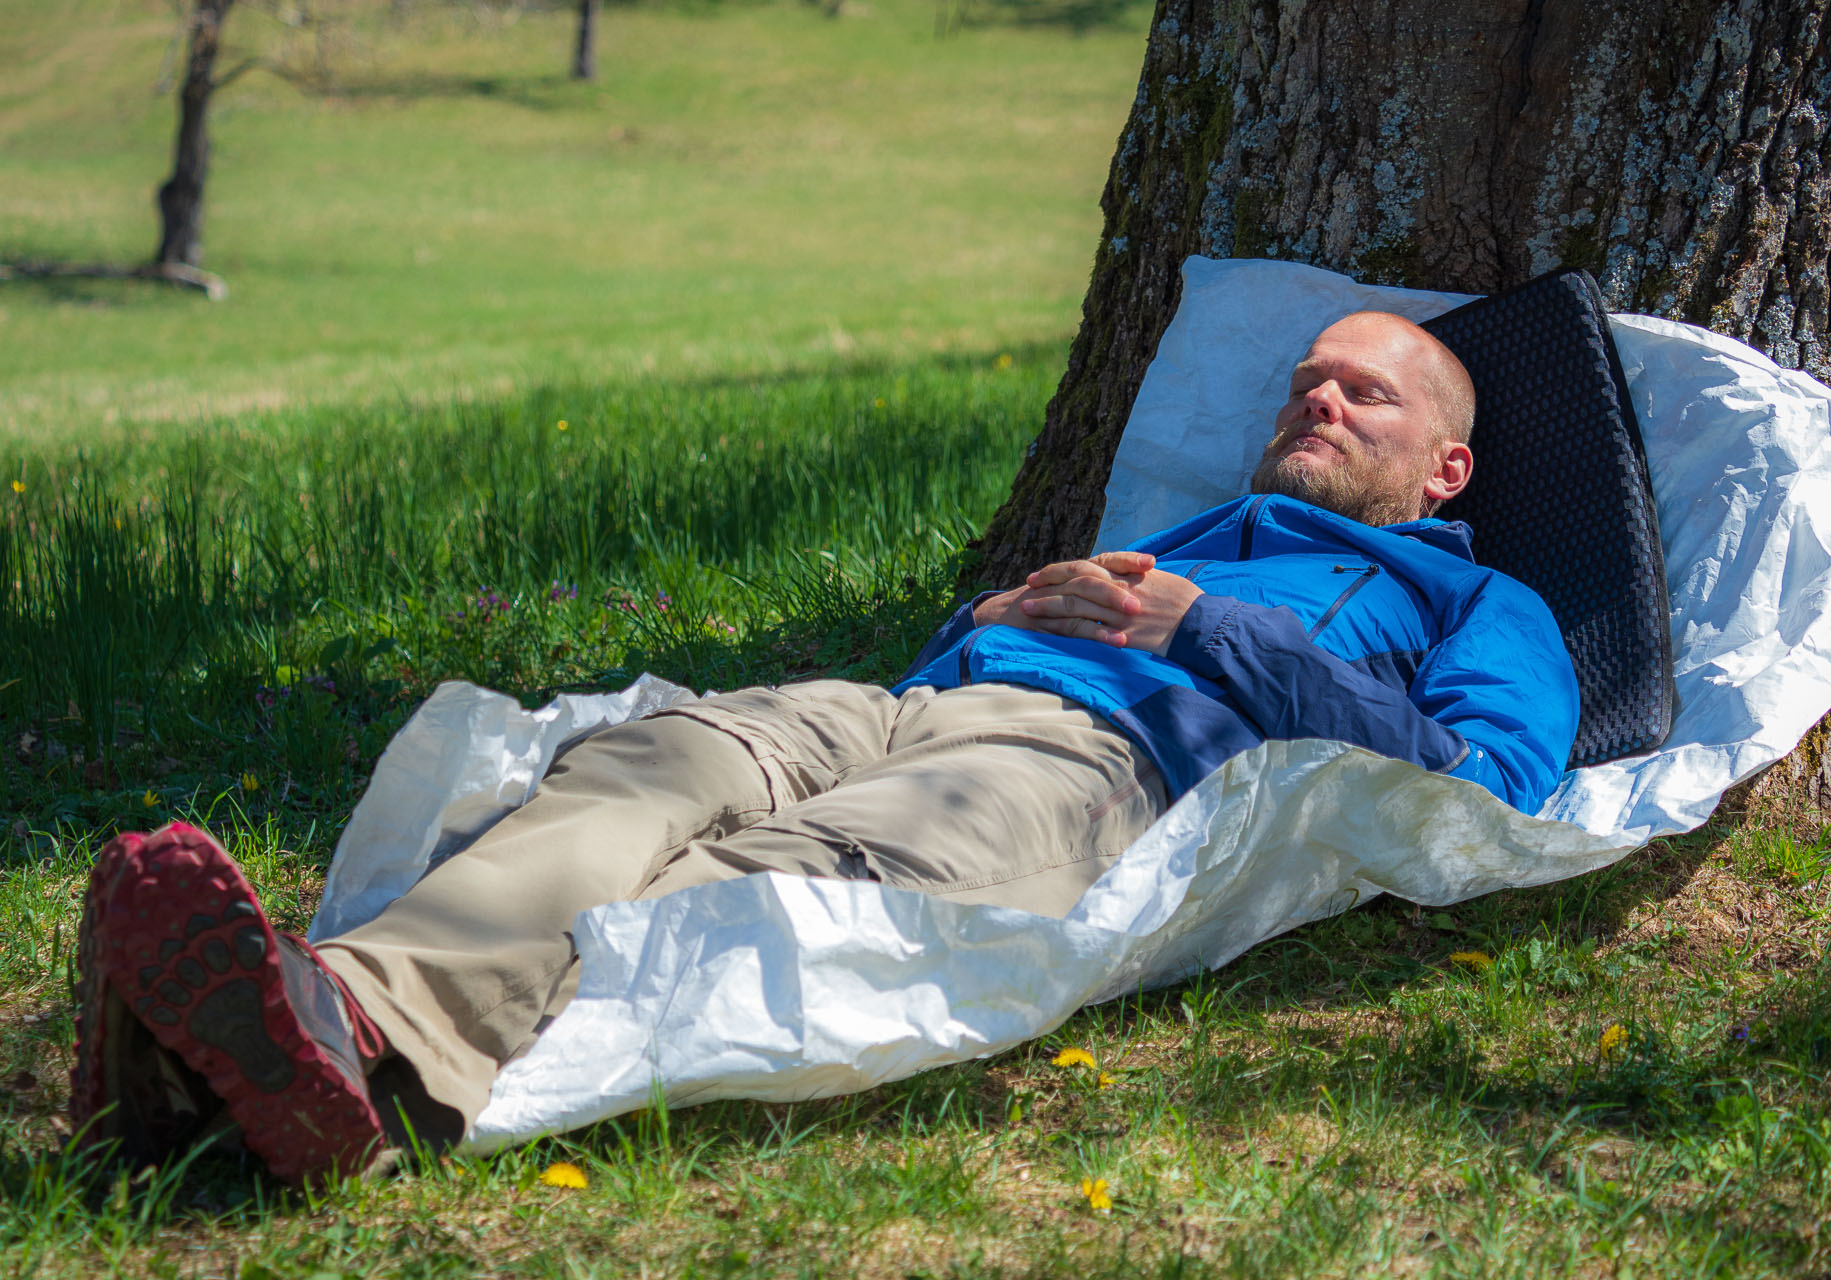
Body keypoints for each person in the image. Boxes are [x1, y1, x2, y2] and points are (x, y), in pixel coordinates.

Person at [69, 311, 1579, 1183]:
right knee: (643, 774)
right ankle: (320, 1006)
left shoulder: (1478, 597)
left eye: (1360, 391)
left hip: (1089, 766)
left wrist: (1205, 631)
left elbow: (1484, 795)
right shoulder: (1202, 527)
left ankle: (317, 1072)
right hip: (904, 701)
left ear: (1445, 466)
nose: (1315, 397)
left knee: (774, 881)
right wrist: (991, 619)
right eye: (1305, 379)